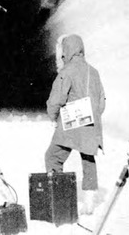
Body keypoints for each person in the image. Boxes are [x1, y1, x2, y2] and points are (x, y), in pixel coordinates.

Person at [45, 34, 106, 215]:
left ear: (66, 50)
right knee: (88, 158)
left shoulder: (66, 72)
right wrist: (92, 116)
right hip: (90, 123)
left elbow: (56, 100)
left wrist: (54, 117)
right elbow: (102, 102)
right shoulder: (94, 72)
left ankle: (60, 198)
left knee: (53, 157)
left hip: (70, 123)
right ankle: (89, 201)